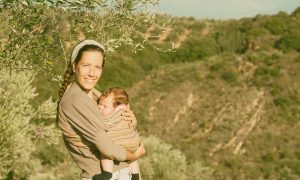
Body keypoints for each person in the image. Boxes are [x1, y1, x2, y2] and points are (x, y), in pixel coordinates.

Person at [57, 39, 145, 180]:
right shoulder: (74, 100)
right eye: (86, 65)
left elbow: (121, 132)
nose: (92, 73)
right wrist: (134, 155)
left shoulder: (98, 97)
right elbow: (106, 147)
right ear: (74, 67)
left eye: (97, 67)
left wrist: (130, 122)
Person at [97, 87, 141, 180]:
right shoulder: (125, 111)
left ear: (116, 107)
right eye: (99, 103)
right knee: (132, 157)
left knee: (105, 151)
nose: (99, 107)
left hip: (119, 143)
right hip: (134, 143)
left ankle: (107, 172)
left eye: (104, 106)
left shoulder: (108, 117)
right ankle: (135, 174)